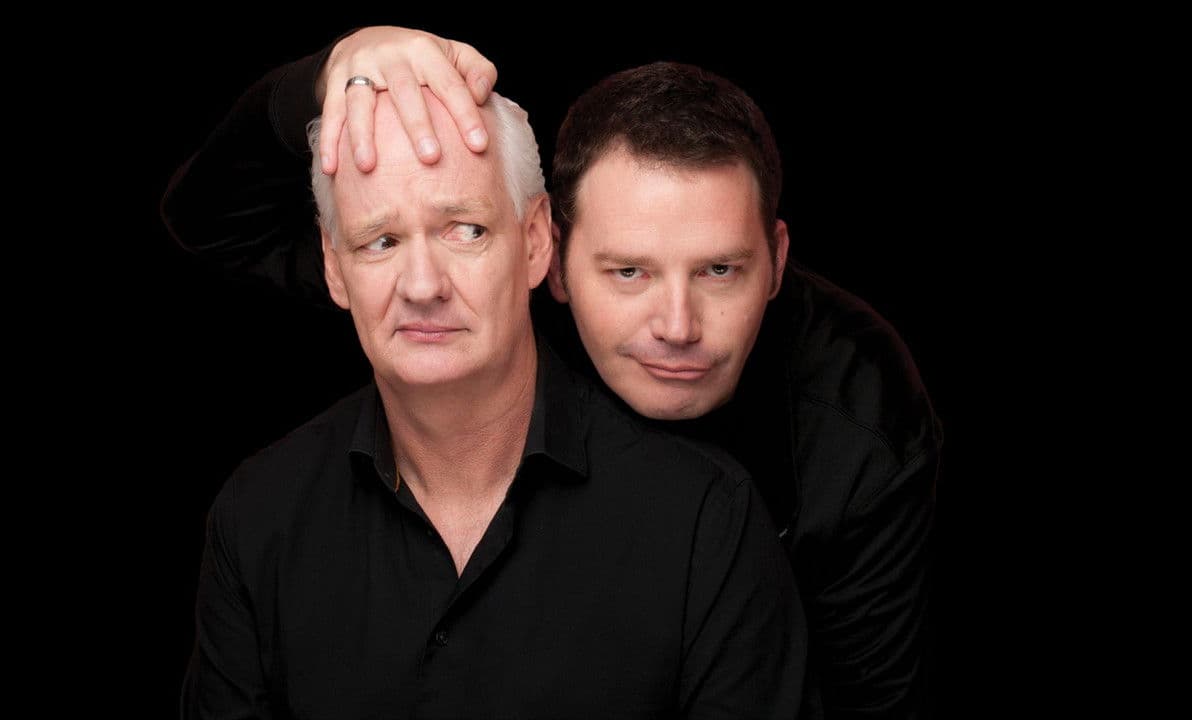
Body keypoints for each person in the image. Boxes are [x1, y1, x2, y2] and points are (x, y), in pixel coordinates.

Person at [164, 26, 942, 718]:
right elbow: (215, 222)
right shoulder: (474, 286)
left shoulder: (860, 416)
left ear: (775, 261)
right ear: (551, 256)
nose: (677, 327)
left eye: (719, 271)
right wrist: (335, 66)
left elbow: (867, 697)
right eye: (628, 272)